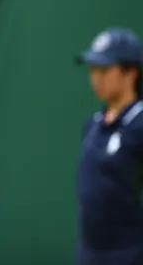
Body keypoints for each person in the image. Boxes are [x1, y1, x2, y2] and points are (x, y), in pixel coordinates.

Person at [75, 27, 143, 265]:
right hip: (89, 256)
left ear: (130, 73)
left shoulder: (140, 125)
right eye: (93, 69)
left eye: (104, 69)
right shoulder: (93, 125)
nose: (96, 77)